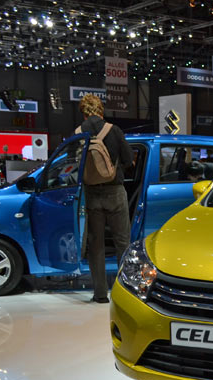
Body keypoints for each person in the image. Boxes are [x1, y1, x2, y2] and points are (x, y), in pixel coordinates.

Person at [78, 94, 133, 303]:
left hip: (91, 195)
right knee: (122, 243)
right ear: (101, 110)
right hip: (115, 192)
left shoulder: (77, 134)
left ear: (83, 112)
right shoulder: (114, 130)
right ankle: (125, 293)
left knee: (96, 245)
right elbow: (128, 159)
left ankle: (100, 294)